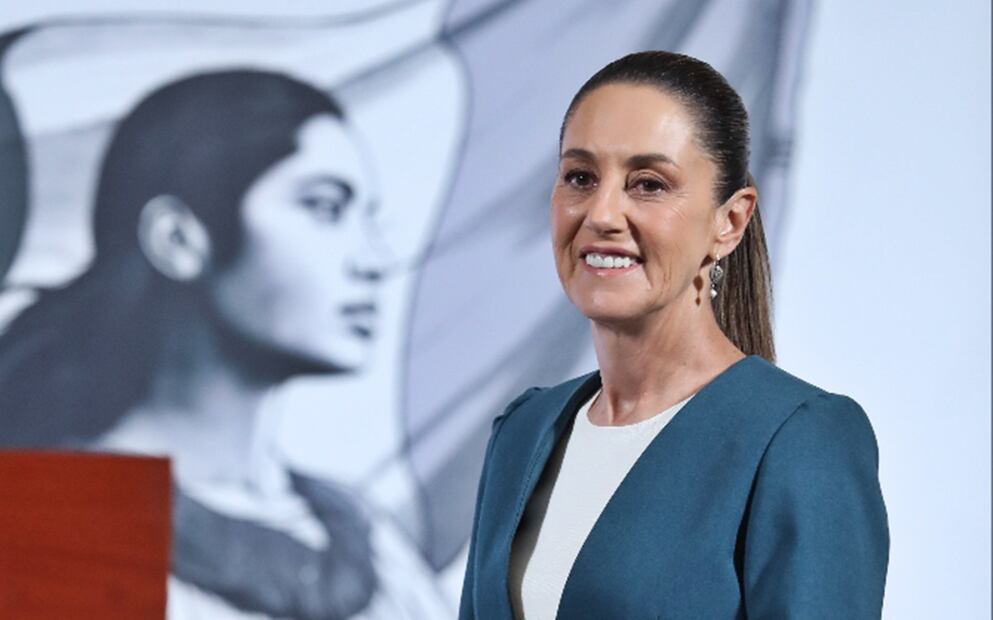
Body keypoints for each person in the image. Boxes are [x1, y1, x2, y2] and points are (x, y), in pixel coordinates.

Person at [0, 69, 448, 619]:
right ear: (177, 239)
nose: (375, 260)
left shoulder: (369, 541)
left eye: (368, 219)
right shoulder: (60, 534)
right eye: (326, 208)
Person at [458, 51, 889, 619]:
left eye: (648, 184)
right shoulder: (523, 430)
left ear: (729, 222)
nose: (602, 214)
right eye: (580, 177)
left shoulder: (801, 440)